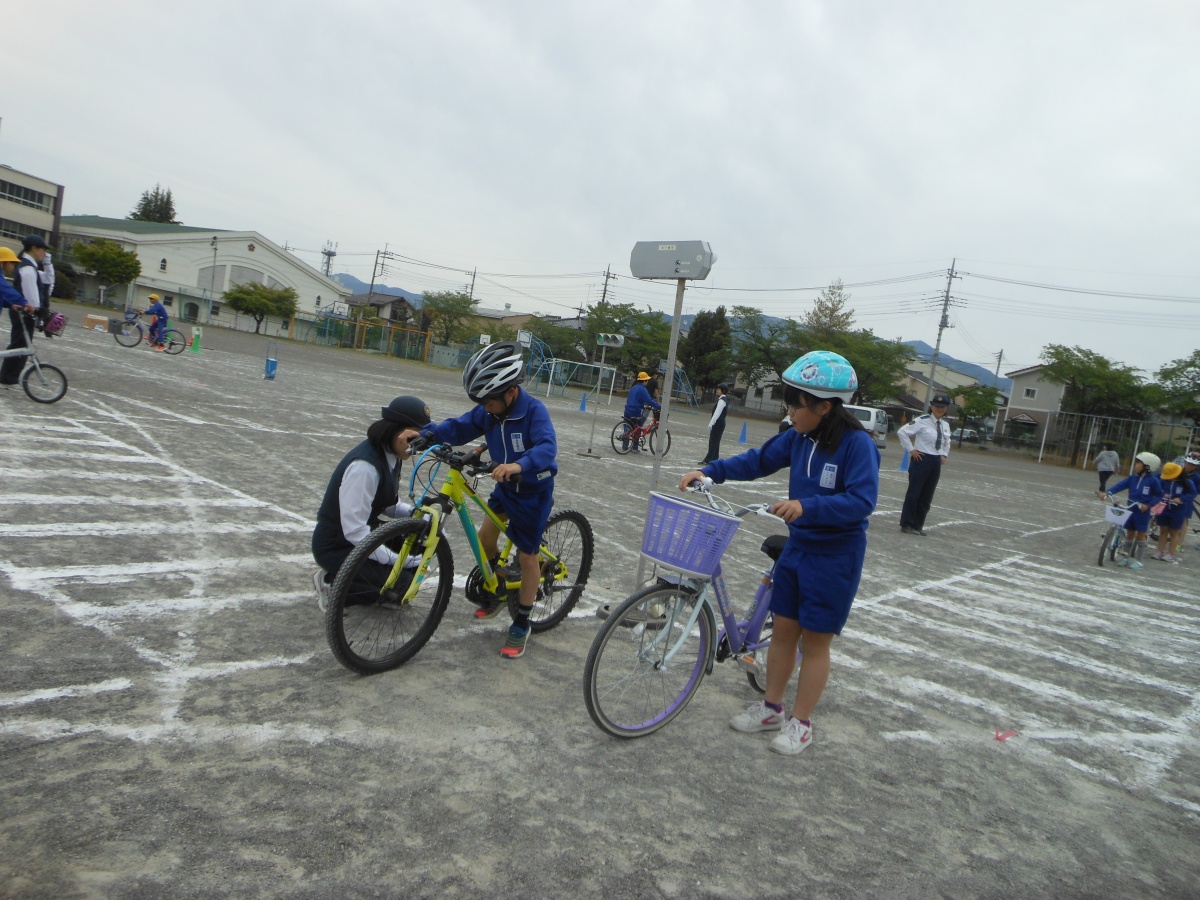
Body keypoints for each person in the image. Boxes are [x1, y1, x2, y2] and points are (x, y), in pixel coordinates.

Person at [679, 350, 880, 757]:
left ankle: (801, 723)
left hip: (835, 555)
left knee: (816, 642)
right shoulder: (798, 437)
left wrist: (808, 506)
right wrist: (711, 471)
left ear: (824, 406)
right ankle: (772, 708)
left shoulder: (857, 445)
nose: (788, 411)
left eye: (794, 403)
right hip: (799, 547)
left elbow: (862, 500)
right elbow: (759, 460)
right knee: (784, 631)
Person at [403, 341, 557, 660]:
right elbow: (460, 426)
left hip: (531, 492)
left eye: (489, 400)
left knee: (528, 558)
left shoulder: (534, 411)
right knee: (485, 541)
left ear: (510, 392)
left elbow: (546, 448)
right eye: (482, 401)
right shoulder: (488, 412)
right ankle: (501, 588)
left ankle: (523, 621)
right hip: (504, 488)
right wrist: (430, 434)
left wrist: (519, 465)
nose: (485, 406)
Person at [311, 396, 432, 612]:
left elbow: (388, 504)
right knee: (401, 582)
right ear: (397, 431)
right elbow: (355, 531)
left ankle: (368, 582)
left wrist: (417, 515)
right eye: (414, 438)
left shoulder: (392, 454)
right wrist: (397, 560)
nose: (417, 446)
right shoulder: (364, 467)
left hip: (362, 533)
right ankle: (332, 583)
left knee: (420, 549)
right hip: (336, 544)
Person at [897, 392, 952, 535]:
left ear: (946, 408)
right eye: (937, 406)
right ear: (932, 406)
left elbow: (947, 441)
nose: (940, 409)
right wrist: (911, 450)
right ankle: (907, 524)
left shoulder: (945, 425)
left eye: (943, 406)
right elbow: (902, 432)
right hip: (921, 458)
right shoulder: (922, 420)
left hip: (935, 461)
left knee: (927, 495)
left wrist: (944, 454)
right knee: (914, 493)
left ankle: (918, 525)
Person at [1100, 451, 1162, 570]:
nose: (1135, 465)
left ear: (1147, 466)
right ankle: (1126, 557)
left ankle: (1139, 561)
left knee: (1141, 535)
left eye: (1138, 463)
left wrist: (1148, 505)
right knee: (1130, 534)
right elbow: (1120, 485)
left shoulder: (1153, 481)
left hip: (1142, 512)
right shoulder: (1132, 478)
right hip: (1130, 509)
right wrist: (1108, 493)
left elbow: (1158, 496)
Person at [0, 236, 46, 388]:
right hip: (25, 311)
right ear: (3, 262)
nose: (13, 266)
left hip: (19, 309)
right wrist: (24, 303)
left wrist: (11, 304)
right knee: (18, 343)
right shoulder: (26, 268)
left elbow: (4, 294)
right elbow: (6, 290)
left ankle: (8, 378)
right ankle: (7, 377)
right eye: (11, 262)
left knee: (19, 343)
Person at [1152, 462, 1195, 563]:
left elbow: (1192, 493)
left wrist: (1181, 499)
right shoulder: (1164, 481)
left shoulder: (1186, 482)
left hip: (1178, 511)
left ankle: (1171, 553)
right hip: (1164, 508)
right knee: (1163, 530)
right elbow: (1157, 489)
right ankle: (1160, 551)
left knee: (1174, 532)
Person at [621, 371, 661, 452]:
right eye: (646, 380)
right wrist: (659, 406)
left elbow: (633, 399)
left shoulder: (633, 388)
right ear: (644, 381)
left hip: (627, 410)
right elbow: (649, 400)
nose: (647, 382)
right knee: (638, 428)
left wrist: (643, 405)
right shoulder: (643, 389)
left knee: (627, 428)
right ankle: (634, 447)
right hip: (636, 411)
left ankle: (625, 447)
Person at [700, 383, 729, 465]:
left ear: (723, 391)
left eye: (718, 389)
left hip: (718, 423)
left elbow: (717, 413)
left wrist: (711, 423)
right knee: (716, 442)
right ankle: (715, 459)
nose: (717, 391)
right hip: (720, 423)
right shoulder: (722, 399)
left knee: (713, 442)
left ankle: (708, 459)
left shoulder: (722, 400)